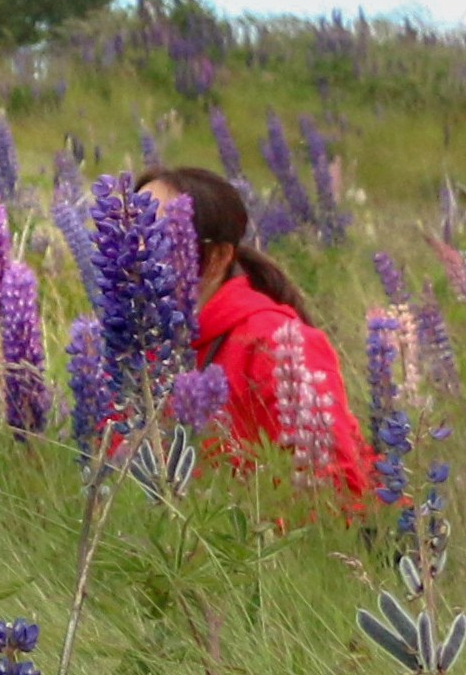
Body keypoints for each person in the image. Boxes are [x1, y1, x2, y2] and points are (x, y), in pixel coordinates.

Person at [141, 165, 368, 494]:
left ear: (218, 257)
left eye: (158, 236)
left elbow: (341, 494)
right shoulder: (139, 346)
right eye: (130, 232)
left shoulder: (276, 340)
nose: (137, 252)